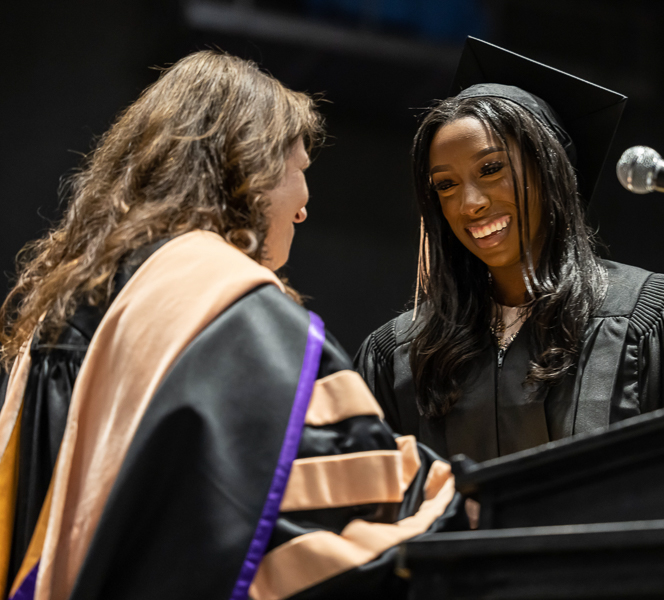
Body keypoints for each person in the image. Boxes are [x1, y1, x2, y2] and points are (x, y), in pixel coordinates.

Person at [0, 51, 462, 600]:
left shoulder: (81, 294)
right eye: (300, 171)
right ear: (250, 167)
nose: (303, 207)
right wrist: (441, 492)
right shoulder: (227, 308)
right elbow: (310, 508)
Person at [356, 38, 664, 464]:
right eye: (446, 185)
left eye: (491, 169)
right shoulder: (399, 354)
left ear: (549, 170)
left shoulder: (650, 317)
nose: (469, 203)